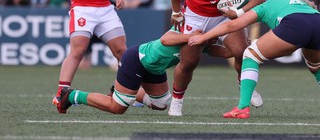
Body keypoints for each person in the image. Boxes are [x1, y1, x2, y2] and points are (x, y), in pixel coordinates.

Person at [188, 0, 320, 119]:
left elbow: (233, 26)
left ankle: (242, 108)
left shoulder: (267, 5)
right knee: (316, 66)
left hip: (295, 24)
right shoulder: (302, 3)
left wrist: (204, 36)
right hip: (319, 23)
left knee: (250, 55)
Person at [168, 0, 265, 116]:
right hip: (195, 16)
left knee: (242, 51)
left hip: (223, 17)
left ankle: (244, 85)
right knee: (189, 62)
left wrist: (238, 12)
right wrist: (176, 12)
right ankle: (176, 101)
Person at [56, 28, 232, 114]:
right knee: (118, 108)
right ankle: (70, 95)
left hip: (154, 69)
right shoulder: (190, 27)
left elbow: (226, 51)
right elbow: (165, 39)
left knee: (161, 104)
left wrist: (249, 49)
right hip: (137, 60)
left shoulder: (205, 41)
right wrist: (194, 36)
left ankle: (119, 88)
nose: (216, 36)